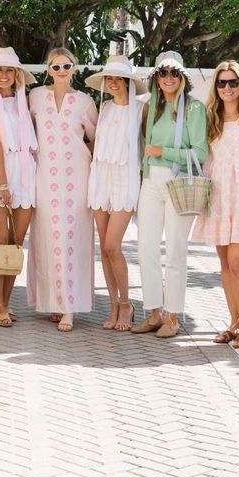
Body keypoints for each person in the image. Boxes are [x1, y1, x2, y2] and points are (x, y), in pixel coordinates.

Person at [133, 51, 208, 339]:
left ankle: (173, 317)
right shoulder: (151, 106)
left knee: (175, 251)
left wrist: (163, 152)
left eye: (173, 73)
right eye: (162, 73)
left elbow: (200, 152)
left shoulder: (194, 108)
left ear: (182, 77)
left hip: (178, 182)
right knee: (146, 249)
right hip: (151, 181)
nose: (168, 78)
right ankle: (154, 312)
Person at [191, 60, 239, 349]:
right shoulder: (210, 118)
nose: (227, 88)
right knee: (224, 264)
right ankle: (233, 323)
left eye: (233, 82)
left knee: (237, 263)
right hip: (218, 195)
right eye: (222, 82)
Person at [27, 47, 98, 333]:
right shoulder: (35, 97)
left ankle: (70, 306)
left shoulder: (84, 101)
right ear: (48, 70)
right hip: (44, 175)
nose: (61, 71)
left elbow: (95, 139)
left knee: (73, 238)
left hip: (76, 177)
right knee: (46, 238)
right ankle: (54, 301)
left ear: (74, 67)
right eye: (55, 67)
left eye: (66, 66)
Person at [0, 46, 37, 328]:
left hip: (26, 171)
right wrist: (3, 182)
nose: (4, 75)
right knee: (0, 240)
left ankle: (7, 301)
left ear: (16, 75)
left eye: (9, 70)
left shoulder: (24, 101)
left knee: (16, 243)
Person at [86, 55, 142, 332]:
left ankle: (127, 303)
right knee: (103, 250)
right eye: (110, 78)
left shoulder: (140, 109)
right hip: (101, 179)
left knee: (112, 246)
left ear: (129, 82)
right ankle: (111, 303)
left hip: (125, 180)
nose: (114, 83)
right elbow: (95, 141)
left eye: (119, 78)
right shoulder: (104, 107)